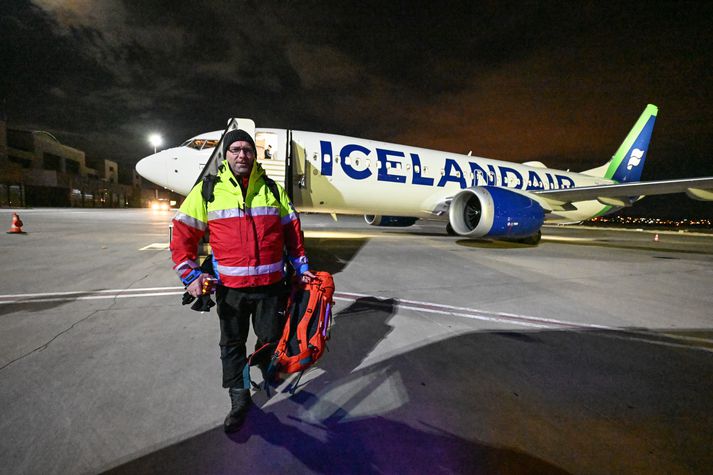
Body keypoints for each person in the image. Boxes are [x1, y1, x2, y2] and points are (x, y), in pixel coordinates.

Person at [170, 128, 315, 433]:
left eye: (247, 150)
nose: (241, 155)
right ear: (226, 155)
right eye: (235, 150)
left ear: (254, 154)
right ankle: (239, 397)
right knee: (232, 345)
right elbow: (183, 232)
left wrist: (301, 268)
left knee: (271, 337)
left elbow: (293, 234)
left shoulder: (273, 191)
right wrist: (190, 274)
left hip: (271, 288)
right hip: (230, 291)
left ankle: (265, 366)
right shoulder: (208, 190)